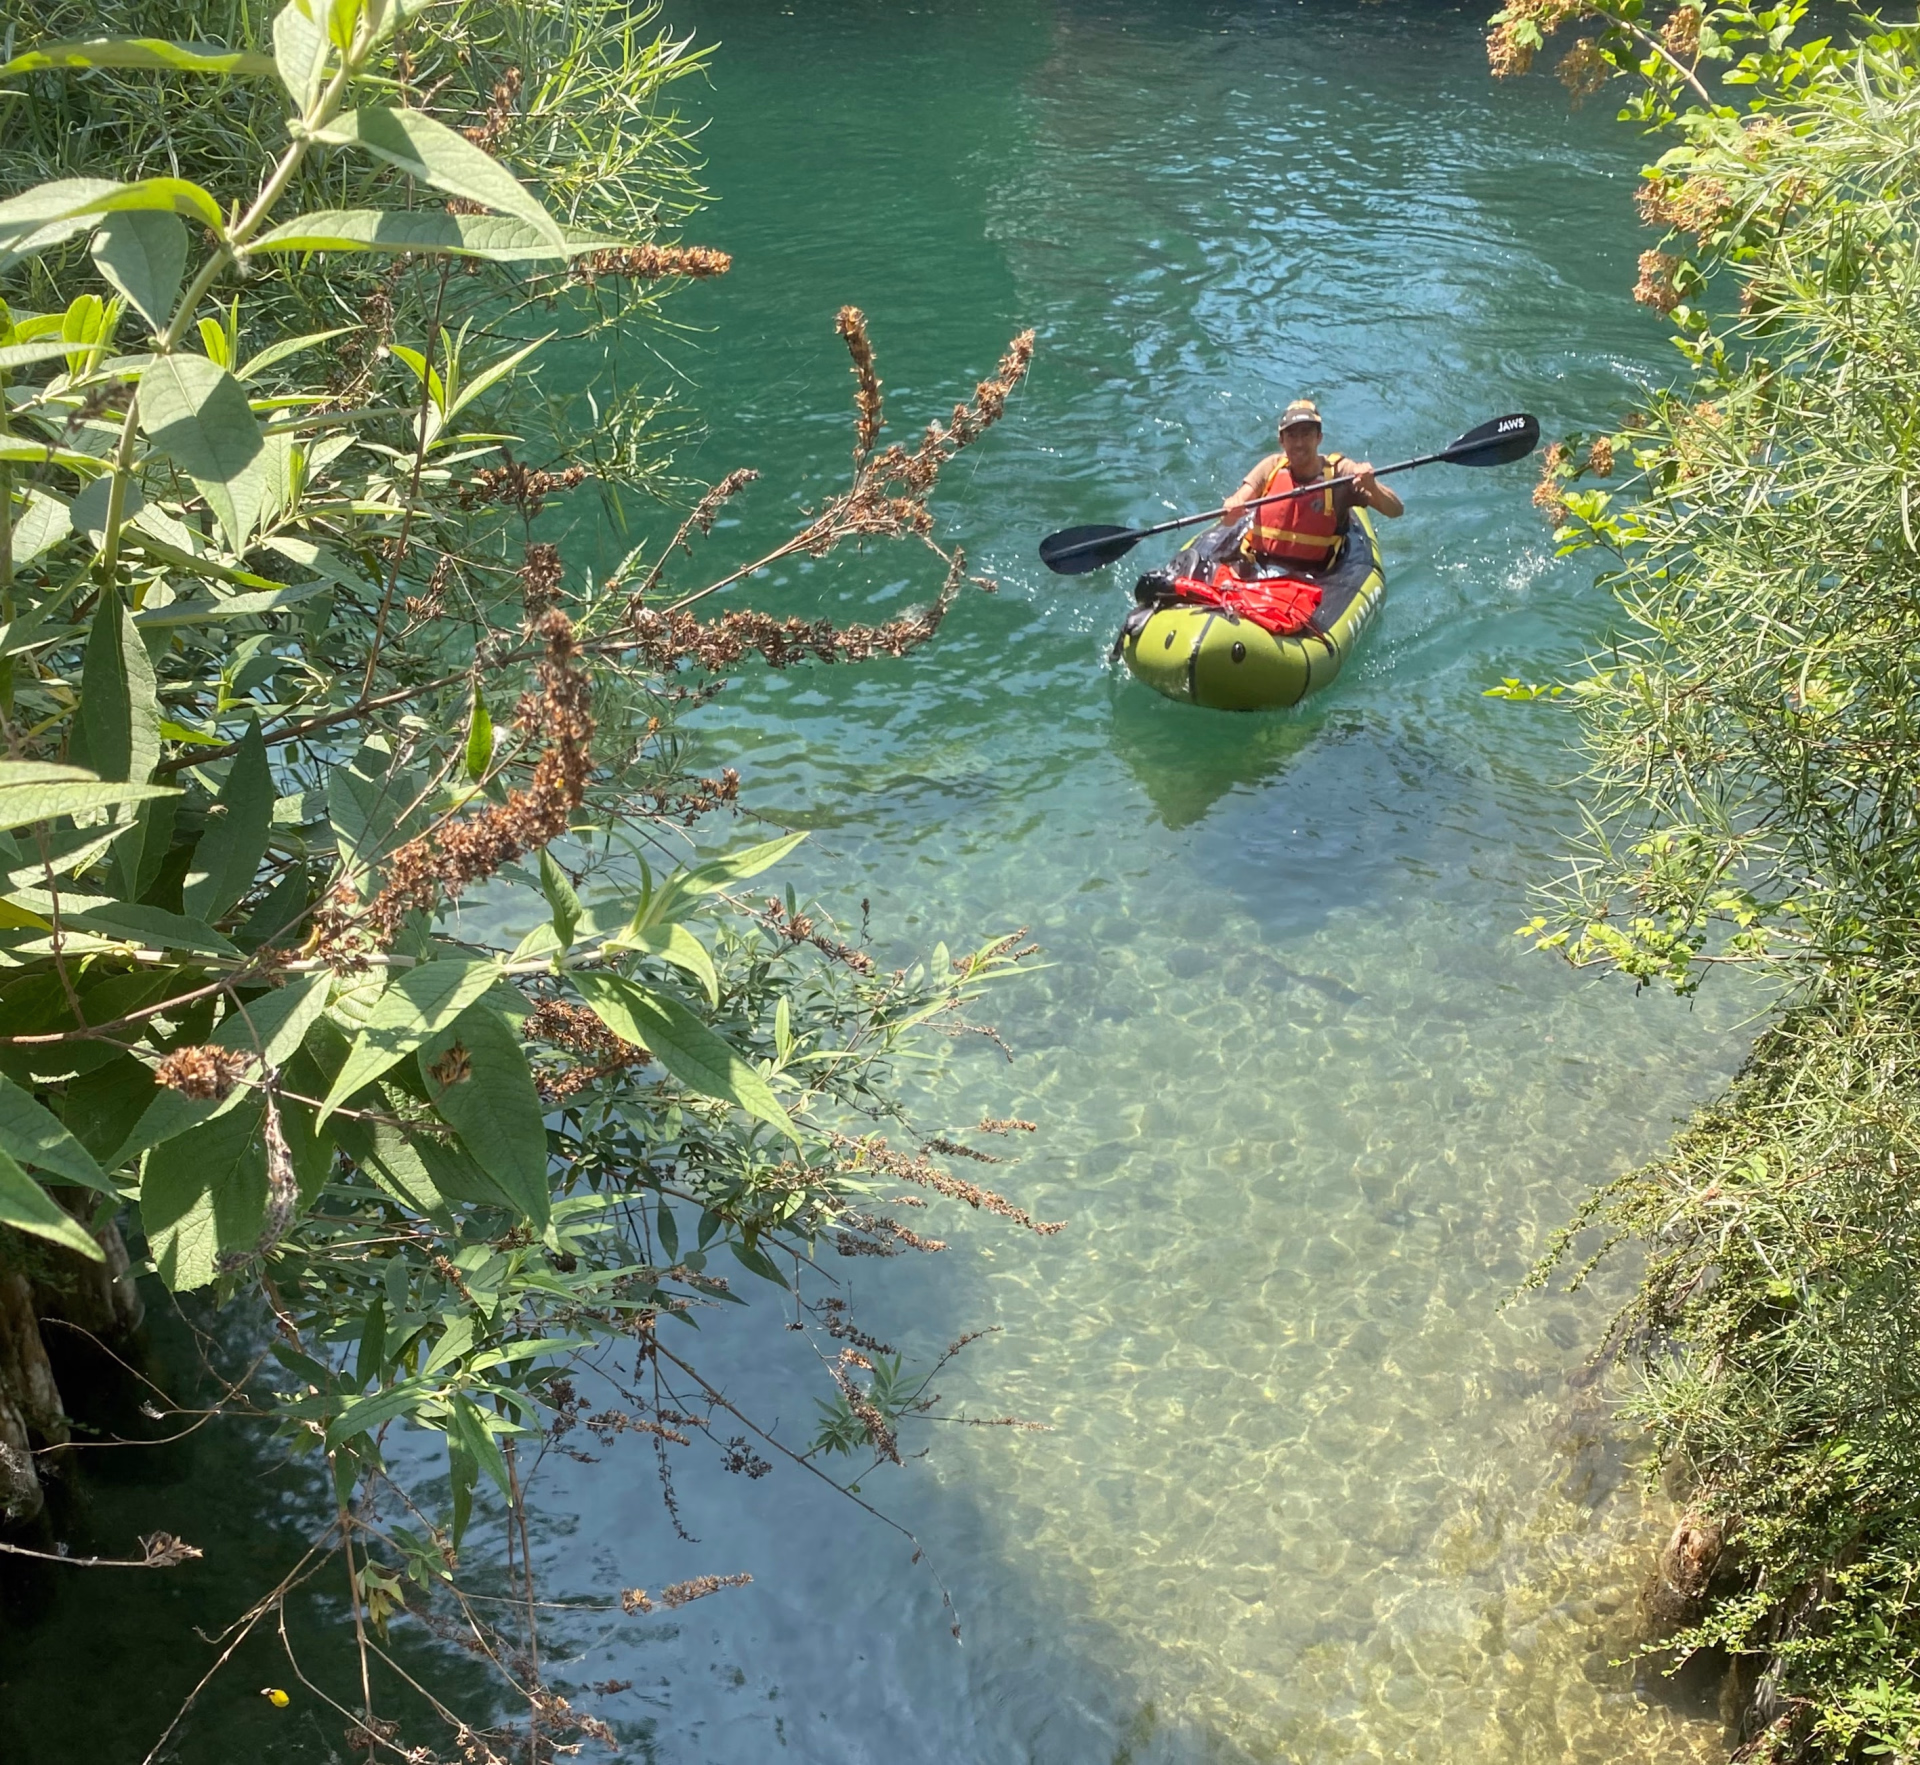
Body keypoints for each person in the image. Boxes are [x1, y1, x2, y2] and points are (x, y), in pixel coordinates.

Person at [1221, 399, 1403, 572]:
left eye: (1306, 434)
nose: (1299, 443)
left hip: (1315, 577)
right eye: (1291, 435)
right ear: (1281, 441)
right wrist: (1231, 508)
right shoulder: (1271, 466)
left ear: (1319, 437)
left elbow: (1395, 510)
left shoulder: (1340, 472)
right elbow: (1234, 509)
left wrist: (1372, 486)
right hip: (1261, 568)